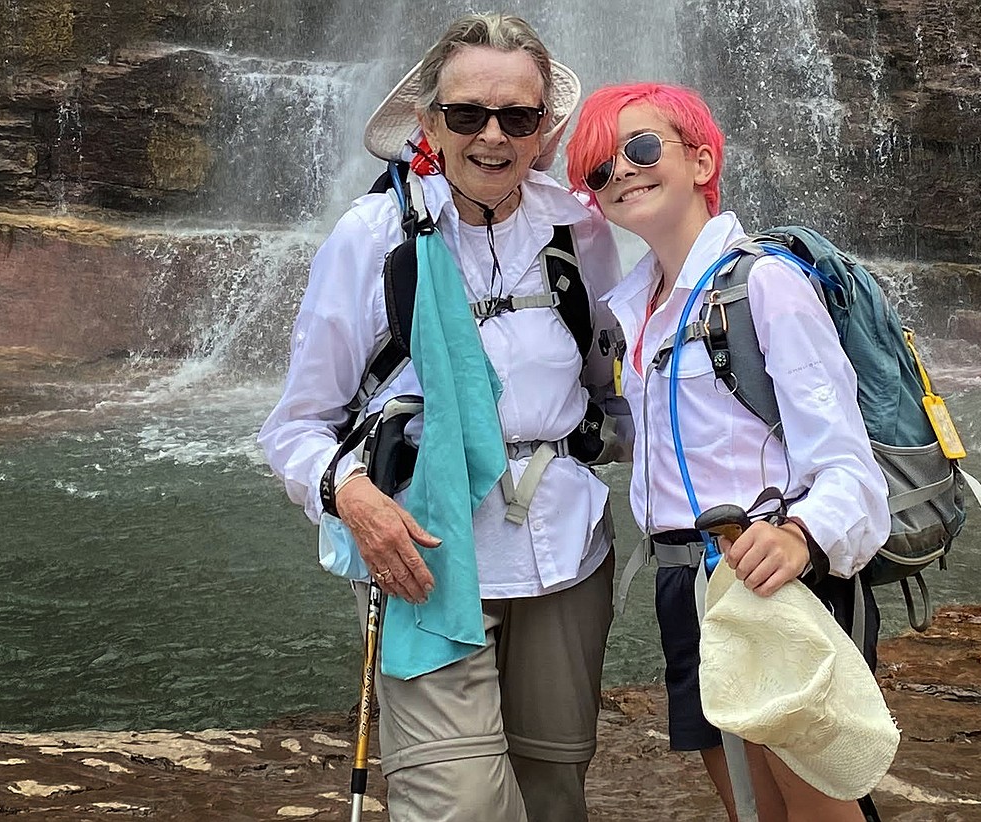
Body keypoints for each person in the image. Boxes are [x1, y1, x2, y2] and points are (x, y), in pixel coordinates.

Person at [259, 13, 625, 822]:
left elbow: (615, 382)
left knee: (556, 794)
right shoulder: (373, 236)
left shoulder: (580, 231)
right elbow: (293, 428)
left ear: (543, 132)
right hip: (424, 557)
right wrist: (353, 499)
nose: (492, 136)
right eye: (468, 115)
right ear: (431, 123)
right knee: (457, 806)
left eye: (517, 118)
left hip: (566, 553)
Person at [565, 84, 892, 822]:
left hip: (772, 576)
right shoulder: (636, 308)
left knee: (822, 814)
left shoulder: (765, 286)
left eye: (642, 148)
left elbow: (848, 466)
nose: (621, 171)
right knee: (755, 814)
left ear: (702, 159)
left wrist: (802, 539)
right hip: (687, 588)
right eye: (597, 169)